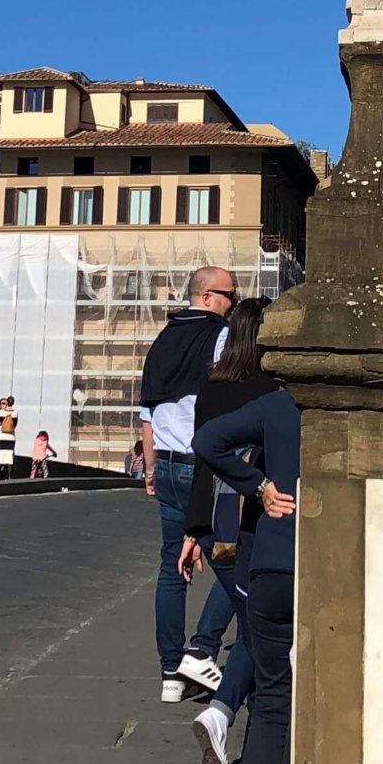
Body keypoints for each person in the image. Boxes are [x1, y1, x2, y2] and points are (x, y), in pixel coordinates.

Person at [194, 374, 299, 764]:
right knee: (308, 709)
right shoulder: (341, 406)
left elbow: (206, 440)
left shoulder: (277, 406)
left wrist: (256, 486)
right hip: (324, 568)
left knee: (273, 704)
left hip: (272, 570)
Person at [181, 297, 278, 764]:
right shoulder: (273, 388)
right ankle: (221, 714)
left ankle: (224, 709)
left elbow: (204, 458)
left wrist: (191, 531)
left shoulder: (211, 383)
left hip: (212, 525)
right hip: (253, 523)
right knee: (260, 632)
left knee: (253, 627)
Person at [138, 265, 236, 703]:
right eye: (231, 296)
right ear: (209, 296)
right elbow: (223, 402)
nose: (235, 304)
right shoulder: (219, 337)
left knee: (169, 568)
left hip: (167, 464)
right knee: (236, 559)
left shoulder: (161, 342)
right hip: (203, 466)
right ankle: (203, 647)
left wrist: (151, 469)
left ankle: (170, 673)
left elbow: (147, 414)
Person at [0, 397, 19, 479]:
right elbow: (15, 425)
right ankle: (9, 476)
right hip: (11, 437)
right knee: (9, 456)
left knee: (0, 456)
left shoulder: (1, 412)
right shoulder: (15, 412)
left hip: (2, 436)